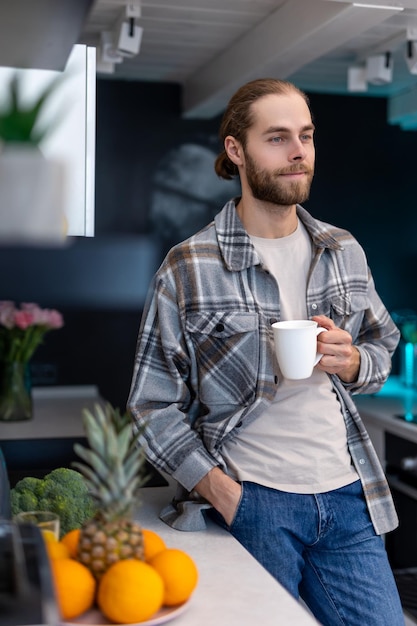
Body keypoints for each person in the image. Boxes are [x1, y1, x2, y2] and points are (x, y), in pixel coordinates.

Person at [128, 78, 404, 625]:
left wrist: (353, 363)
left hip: (349, 496)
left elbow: (383, 344)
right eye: (277, 138)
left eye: (305, 135)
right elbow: (149, 405)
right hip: (254, 500)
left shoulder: (342, 248)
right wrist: (225, 493)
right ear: (237, 150)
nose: (298, 151)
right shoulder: (189, 267)